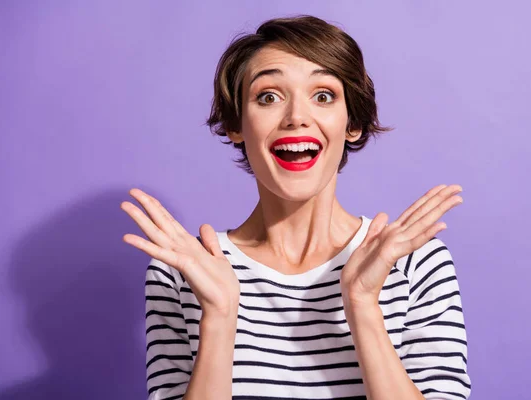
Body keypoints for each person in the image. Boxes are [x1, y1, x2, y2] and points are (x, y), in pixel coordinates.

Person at [121, 15, 471, 400]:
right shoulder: (182, 271)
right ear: (236, 124)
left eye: (323, 95)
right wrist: (219, 319)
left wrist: (363, 306)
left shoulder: (415, 263)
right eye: (268, 96)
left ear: (352, 122)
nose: (297, 118)